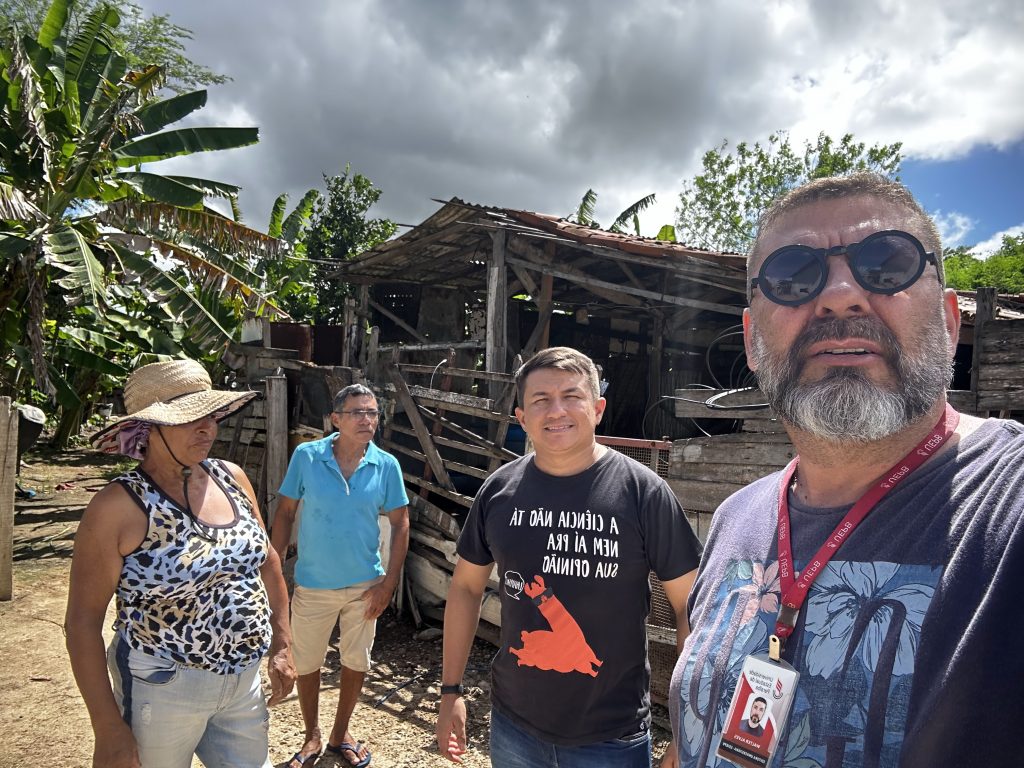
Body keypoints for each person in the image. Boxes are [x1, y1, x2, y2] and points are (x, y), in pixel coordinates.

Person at [670, 173, 1024, 768]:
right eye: (792, 276)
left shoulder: (1008, 507)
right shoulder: (736, 517)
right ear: (753, 342)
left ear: (949, 321)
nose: (839, 295)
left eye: (886, 264)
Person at [437, 346, 702, 768]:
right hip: (513, 727)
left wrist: (690, 725)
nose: (556, 410)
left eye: (571, 396)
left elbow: (692, 607)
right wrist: (450, 691)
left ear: (597, 409)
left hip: (610, 737)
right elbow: (466, 588)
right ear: (522, 418)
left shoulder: (644, 493)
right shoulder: (498, 491)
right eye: (540, 400)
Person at [65, 359, 297, 768]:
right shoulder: (118, 507)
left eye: (210, 415)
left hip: (243, 682)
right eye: (189, 419)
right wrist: (107, 727)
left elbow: (268, 559)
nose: (207, 427)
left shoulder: (232, 477)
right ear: (148, 430)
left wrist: (282, 642)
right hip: (162, 684)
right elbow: (82, 622)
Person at [271, 383, 410, 768]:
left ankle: (340, 733)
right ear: (336, 419)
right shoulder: (307, 457)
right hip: (314, 583)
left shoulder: (386, 465)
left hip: (366, 586)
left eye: (373, 413)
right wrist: (275, 566)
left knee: (356, 661)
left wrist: (388, 584)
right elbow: (284, 512)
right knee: (308, 661)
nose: (367, 420)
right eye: (357, 413)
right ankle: (312, 734)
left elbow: (401, 523)